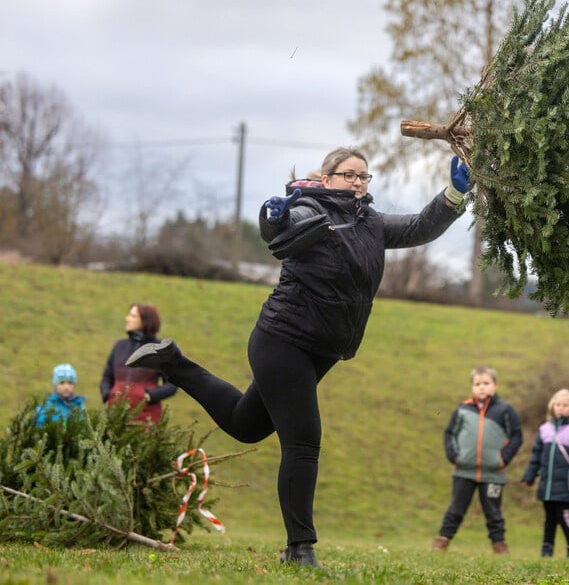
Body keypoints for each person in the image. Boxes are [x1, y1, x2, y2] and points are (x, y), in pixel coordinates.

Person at [125, 147, 470, 568]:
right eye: (348, 175)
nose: (358, 183)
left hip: (319, 350)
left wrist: (453, 194)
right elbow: (284, 230)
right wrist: (273, 218)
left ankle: (172, 362)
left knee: (244, 424)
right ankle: (299, 548)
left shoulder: (371, 224)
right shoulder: (311, 209)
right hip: (283, 340)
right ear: (327, 179)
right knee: (304, 442)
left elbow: (419, 226)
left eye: (364, 176)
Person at [433, 365, 523, 555]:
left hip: (493, 473)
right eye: (477, 384)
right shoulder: (463, 410)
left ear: (495, 385)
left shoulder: (505, 410)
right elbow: (450, 433)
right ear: (472, 387)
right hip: (464, 470)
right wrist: (454, 456)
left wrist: (503, 459)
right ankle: (442, 541)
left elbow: (516, 436)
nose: (482, 387)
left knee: (493, 513)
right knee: (456, 509)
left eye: (486, 383)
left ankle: (499, 546)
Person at [521, 388, 569, 559]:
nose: (561, 408)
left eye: (565, 405)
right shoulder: (545, 429)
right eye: (558, 404)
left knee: (564, 515)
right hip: (547, 483)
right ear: (552, 406)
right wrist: (529, 475)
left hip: (567, 483)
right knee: (549, 517)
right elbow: (536, 456)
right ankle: (547, 548)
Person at [101, 303, 177, 424]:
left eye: (132, 316)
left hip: (146, 419)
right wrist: (108, 395)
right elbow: (107, 377)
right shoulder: (119, 346)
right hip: (114, 416)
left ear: (145, 321)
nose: (127, 318)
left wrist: (149, 396)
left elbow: (172, 384)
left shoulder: (160, 349)